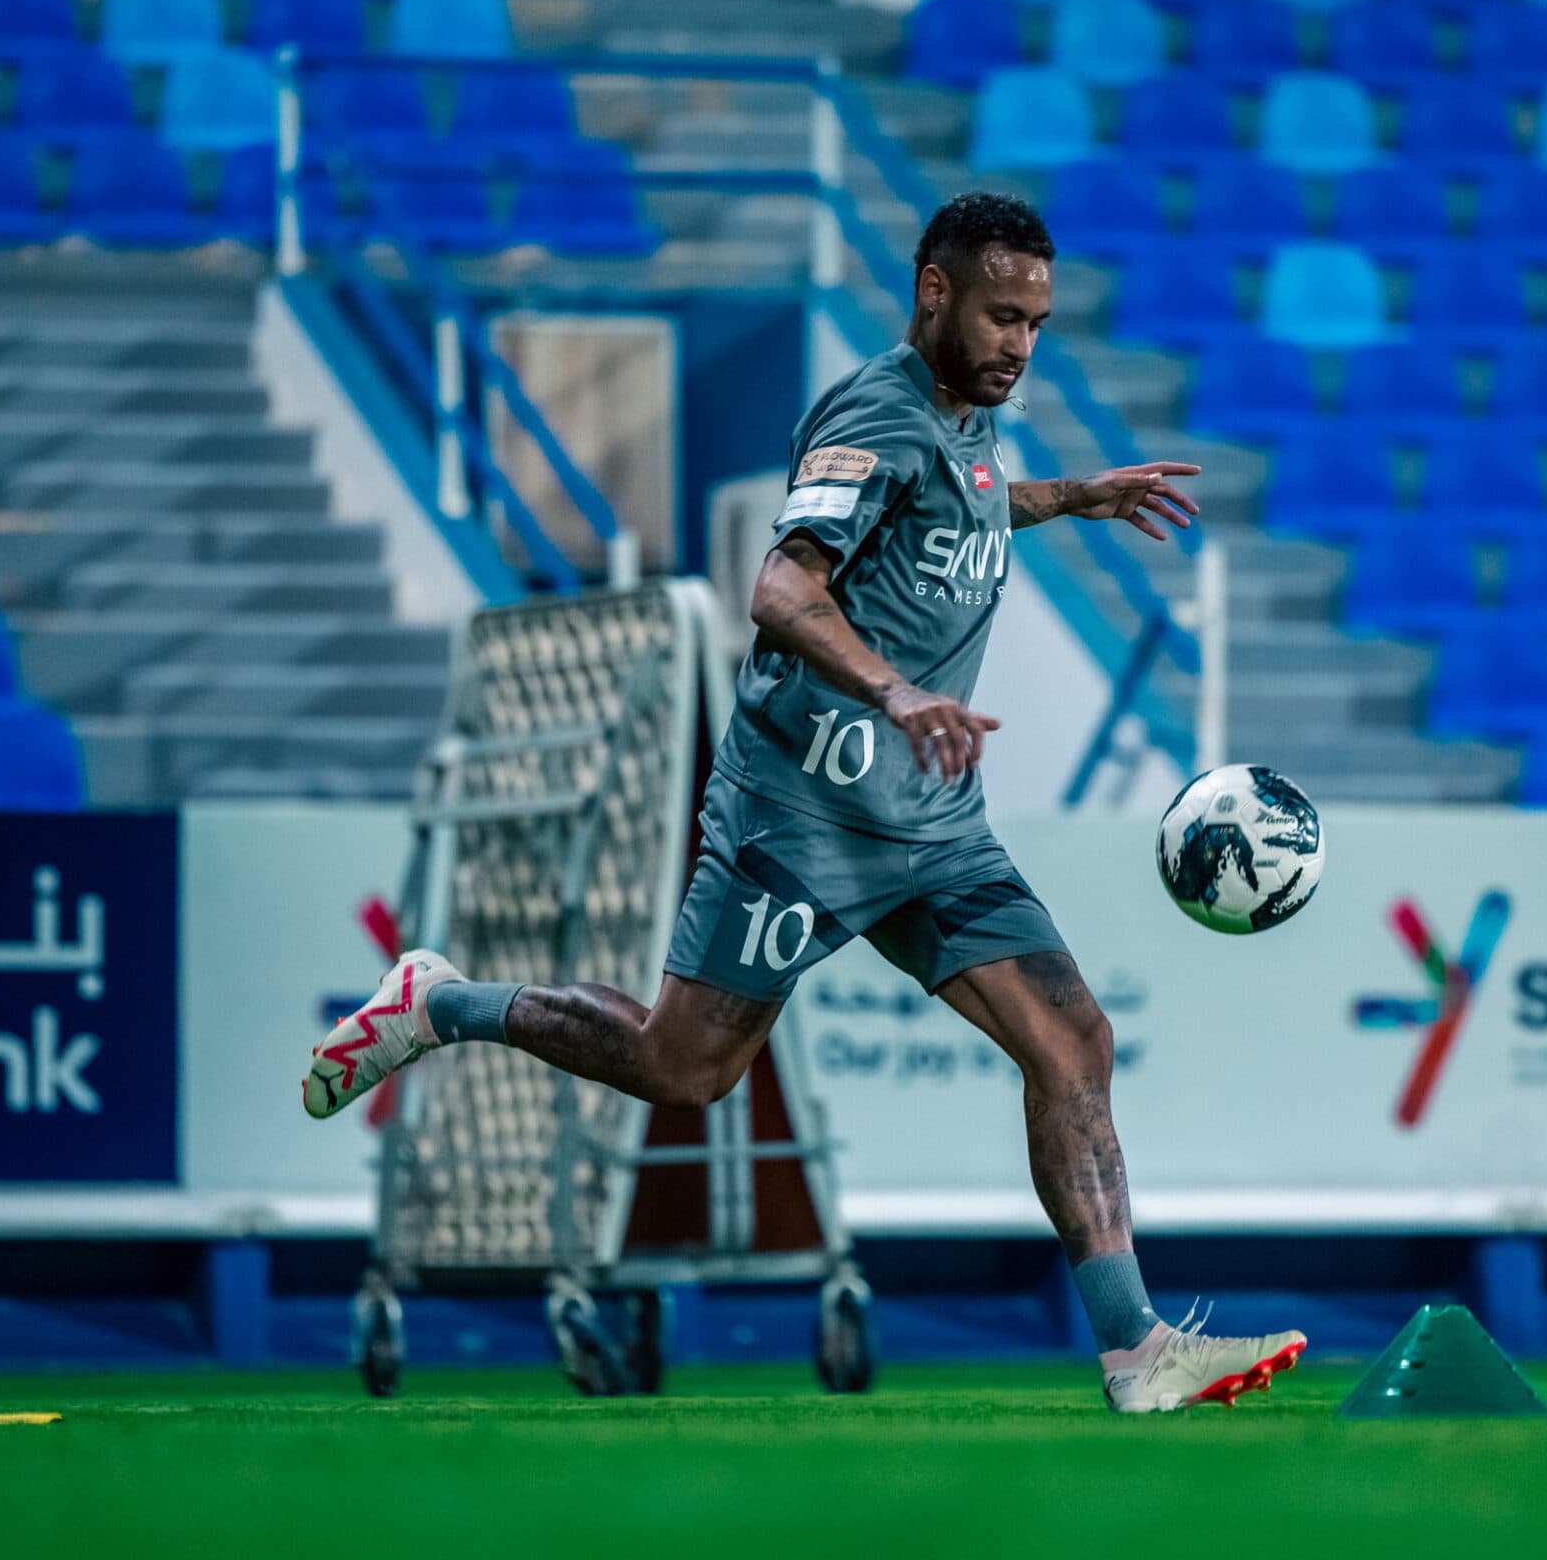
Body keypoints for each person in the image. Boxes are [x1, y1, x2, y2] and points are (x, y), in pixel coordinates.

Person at [303, 192, 1303, 1413]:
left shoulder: (968, 418)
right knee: (683, 1069)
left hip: (930, 825)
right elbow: (781, 586)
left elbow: (958, 501)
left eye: (1037, 324)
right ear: (933, 292)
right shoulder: (873, 412)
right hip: (800, 818)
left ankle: (1135, 1349)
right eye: (1002, 317)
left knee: (1073, 1042)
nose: (1020, 345)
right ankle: (441, 1002)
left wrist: (1071, 497)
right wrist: (896, 690)